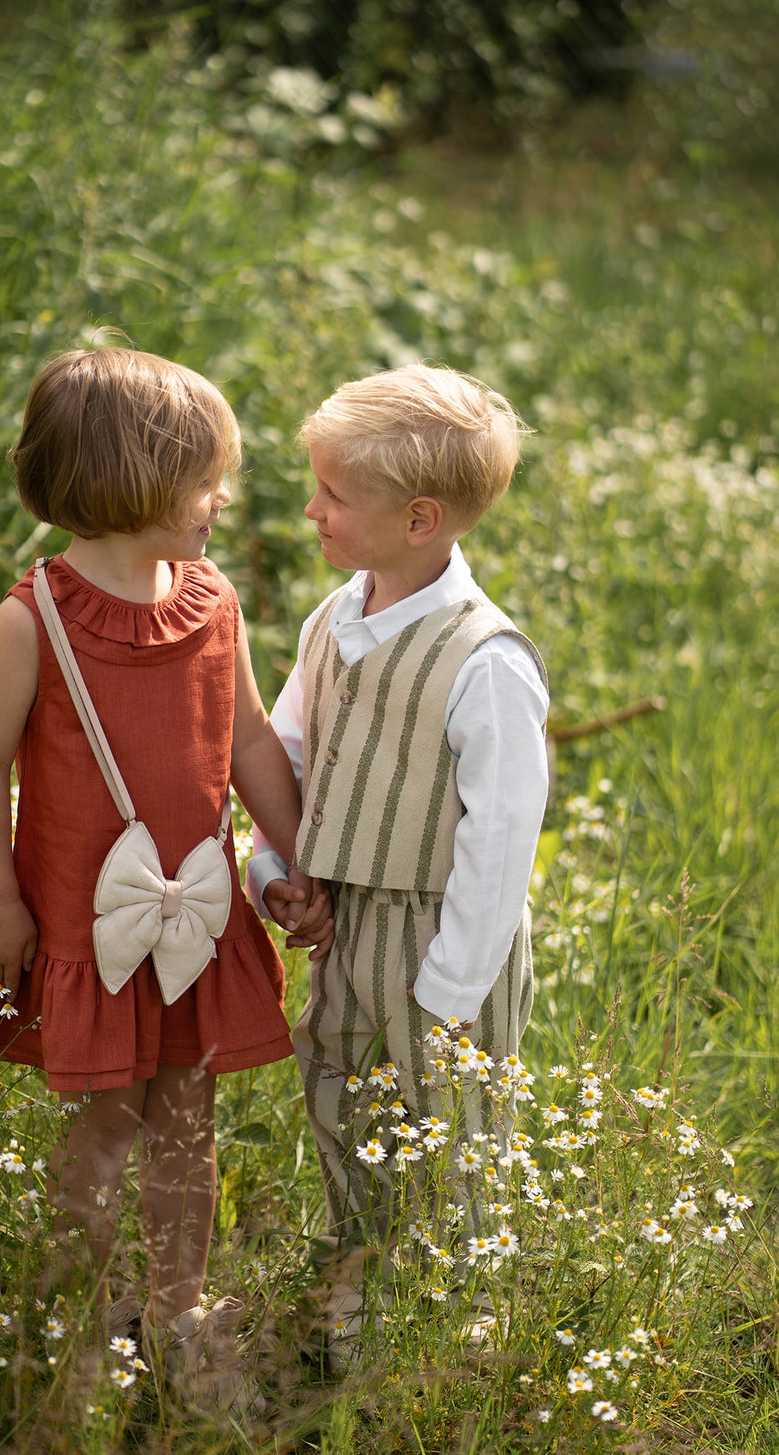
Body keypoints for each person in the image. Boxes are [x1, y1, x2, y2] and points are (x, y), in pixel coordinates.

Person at [0, 346, 328, 1371]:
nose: (221, 498)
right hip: (87, 922)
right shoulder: (31, 620)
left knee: (187, 1121)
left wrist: (297, 857)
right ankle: (80, 1318)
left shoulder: (210, 601)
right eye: (204, 478)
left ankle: (174, 1311)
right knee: (102, 1127)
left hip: (197, 922)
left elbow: (248, 737)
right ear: (135, 480)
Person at [249, 363, 549, 1352]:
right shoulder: (333, 622)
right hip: (344, 920)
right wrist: (275, 871)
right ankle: (359, 1279)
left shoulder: (483, 660)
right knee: (339, 1088)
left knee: (449, 1121)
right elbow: (287, 751)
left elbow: (499, 834)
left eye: (335, 494)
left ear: (419, 519)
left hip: (438, 933)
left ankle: (462, 1317)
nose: (312, 509)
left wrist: (452, 986)